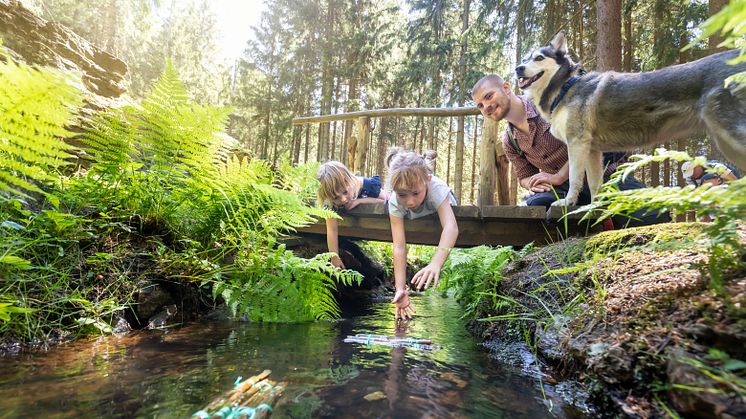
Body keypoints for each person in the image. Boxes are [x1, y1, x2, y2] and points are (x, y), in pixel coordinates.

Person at [471, 74, 669, 227]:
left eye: (489, 97)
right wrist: (533, 182)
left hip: (605, 178)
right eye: (480, 105)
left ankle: (608, 222)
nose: (486, 106)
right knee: (533, 211)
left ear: (506, 88)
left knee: (654, 215)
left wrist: (558, 176)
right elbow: (524, 175)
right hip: (564, 193)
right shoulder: (509, 140)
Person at [386, 148, 458, 322]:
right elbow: (399, 246)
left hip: (445, 210)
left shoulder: (435, 188)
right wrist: (400, 288)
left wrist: (435, 263)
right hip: (416, 218)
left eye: (415, 193)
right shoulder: (395, 201)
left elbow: (450, 227)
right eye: (402, 194)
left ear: (427, 180)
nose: (410, 201)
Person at [317, 161, 388, 269]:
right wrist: (334, 257)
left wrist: (358, 201)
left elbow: (384, 198)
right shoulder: (329, 202)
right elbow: (332, 229)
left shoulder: (365, 184)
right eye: (336, 197)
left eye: (345, 192)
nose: (343, 199)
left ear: (349, 179)